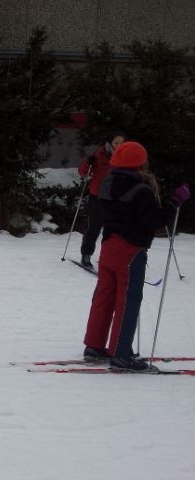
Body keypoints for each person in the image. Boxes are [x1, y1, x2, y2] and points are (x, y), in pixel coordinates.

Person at [82, 141, 190, 371]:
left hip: (108, 246)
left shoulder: (107, 183)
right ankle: (121, 355)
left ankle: (94, 345)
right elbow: (155, 222)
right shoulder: (141, 190)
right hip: (130, 251)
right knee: (128, 301)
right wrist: (175, 202)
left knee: (104, 297)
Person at [77, 133, 125, 268]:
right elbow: (82, 172)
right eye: (116, 143)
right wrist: (88, 162)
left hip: (115, 198)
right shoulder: (99, 155)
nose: (119, 146)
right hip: (98, 197)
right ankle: (86, 254)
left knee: (112, 231)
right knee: (93, 228)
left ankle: (107, 258)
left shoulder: (125, 156)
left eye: (122, 143)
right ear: (109, 143)